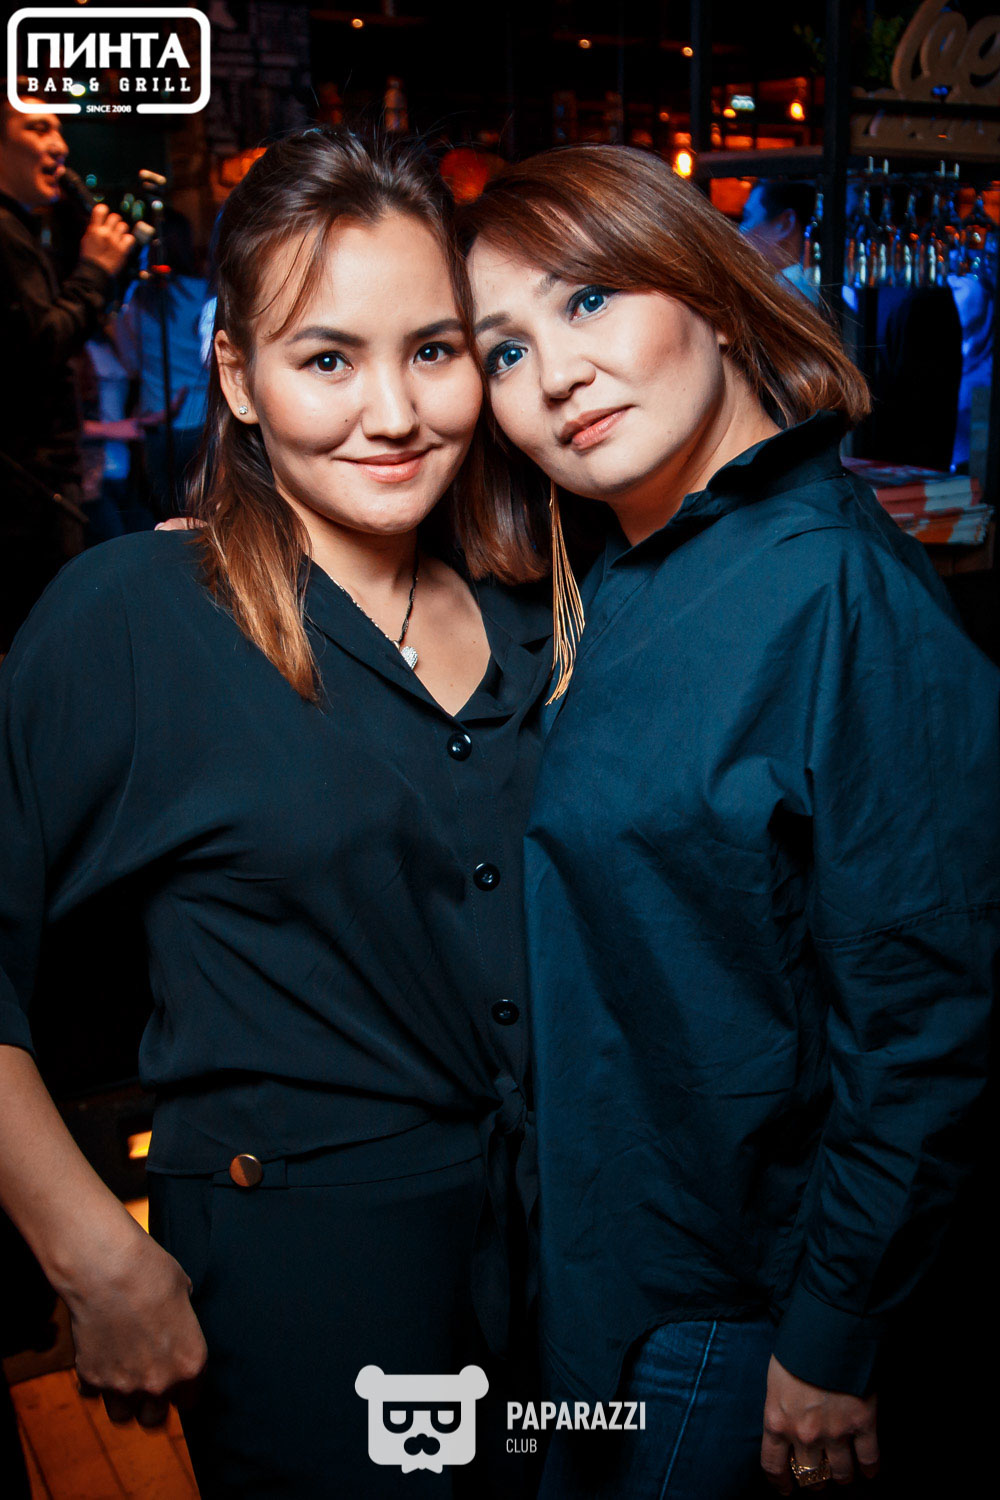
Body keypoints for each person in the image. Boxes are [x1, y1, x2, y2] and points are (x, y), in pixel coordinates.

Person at [0, 129, 553, 1498]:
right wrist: (90, 1250)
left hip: (553, 1264)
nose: (394, 412)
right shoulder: (138, 618)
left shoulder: (535, 606)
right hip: (307, 1280)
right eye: (327, 360)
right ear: (239, 376)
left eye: (433, 351)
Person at [460, 145, 998, 1498]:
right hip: (594, 1262)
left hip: (717, 1310)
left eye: (588, 299)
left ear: (706, 289)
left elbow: (927, 1019)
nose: (555, 374)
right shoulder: (627, 568)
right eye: (505, 349)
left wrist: (832, 1335)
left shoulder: (834, 595)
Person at [0, 84, 134, 652]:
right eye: (38, 128)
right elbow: (36, 349)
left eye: (59, 129)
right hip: (24, 501)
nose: (60, 145)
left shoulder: (21, 230)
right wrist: (95, 271)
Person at [115, 208, 211, 517]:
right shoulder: (205, 294)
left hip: (157, 419)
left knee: (167, 515)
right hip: (203, 418)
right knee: (205, 512)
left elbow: (130, 362)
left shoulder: (137, 300)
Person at [740, 179, 823, 307]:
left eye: (747, 217)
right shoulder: (805, 290)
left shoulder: (786, 299)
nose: (740, 233)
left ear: (785, 224)